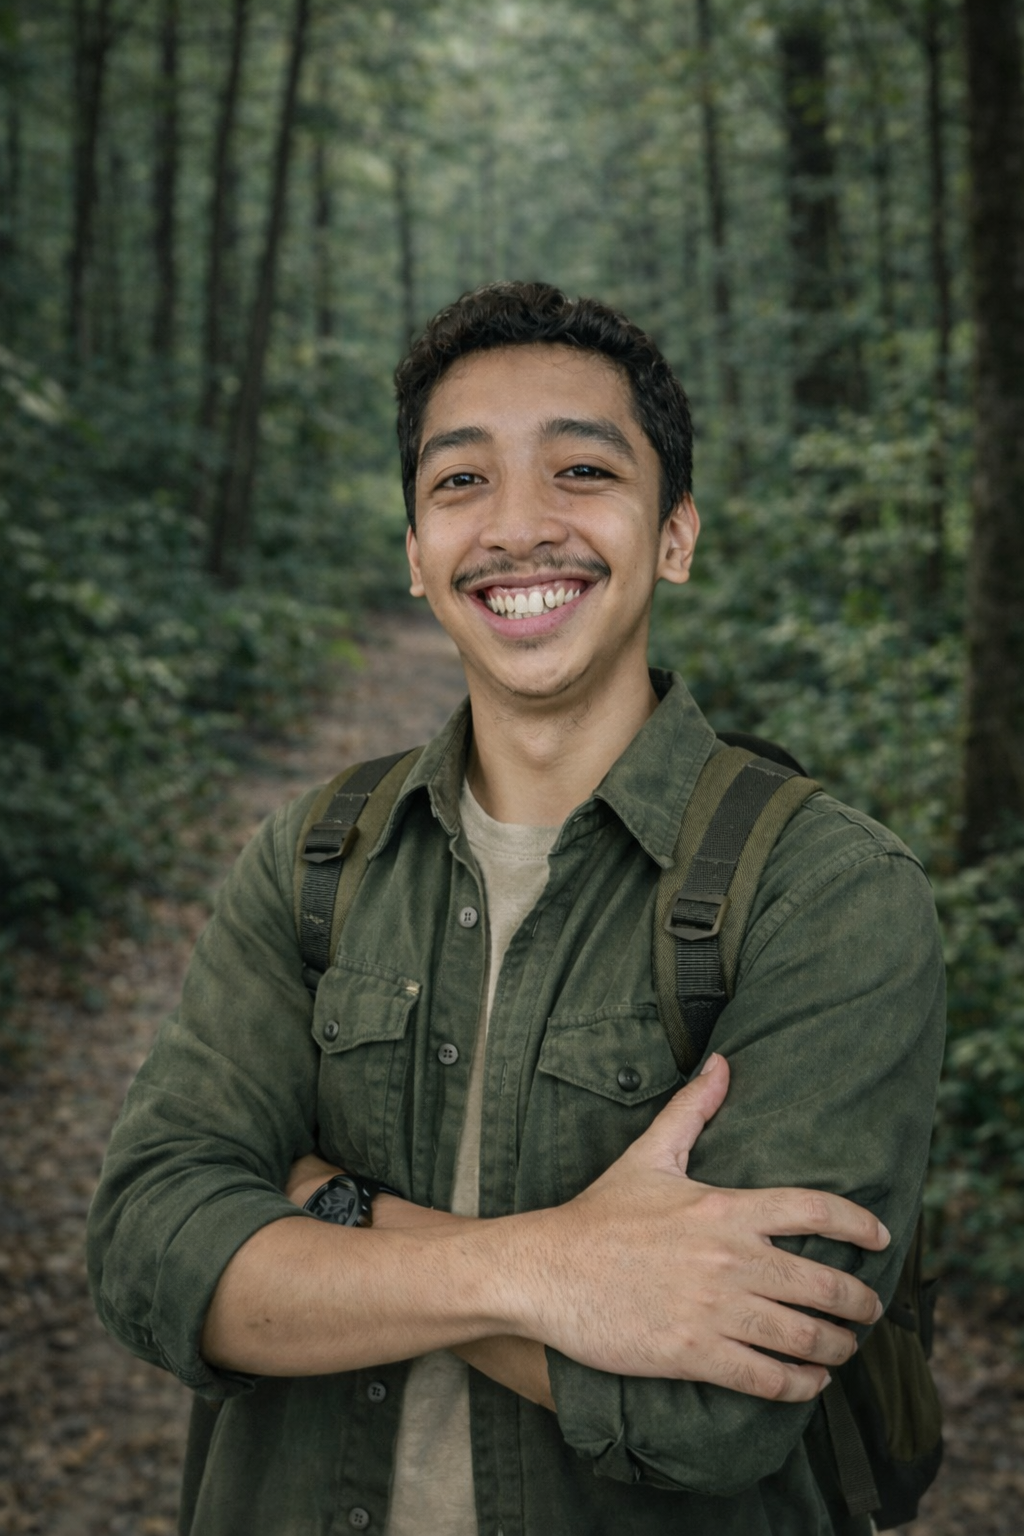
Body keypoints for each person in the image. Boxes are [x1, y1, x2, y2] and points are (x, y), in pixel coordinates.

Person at [87, 282, 945, 1536]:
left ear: (675, 534)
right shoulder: (312, 859)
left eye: (583, 468)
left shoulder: (828, 895)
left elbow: (709, 1414)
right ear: (417, 559)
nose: (519, 527)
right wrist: (561, 1272)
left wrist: (324, 1208)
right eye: (459, 483)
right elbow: (149, 1252)